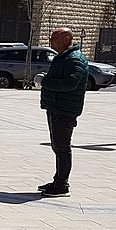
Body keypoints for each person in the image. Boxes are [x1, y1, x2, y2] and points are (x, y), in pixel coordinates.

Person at [38, 27, 89, 198]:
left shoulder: (75, 60)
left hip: (65, 110)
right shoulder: (63, 58)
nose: (51, 41)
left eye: (54, 38)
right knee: (57, 146)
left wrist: (45, 81)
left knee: (62, 147)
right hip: (56, 107)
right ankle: (58, 180)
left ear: (67, 39)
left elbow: (69, 84)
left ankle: (62, 185)